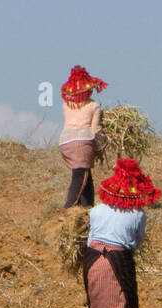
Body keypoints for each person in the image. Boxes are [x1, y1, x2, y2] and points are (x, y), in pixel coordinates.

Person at [80, 157, 160, 308]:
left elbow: (89, 238)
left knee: (97, 306)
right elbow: (137, 241)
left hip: (91, 260)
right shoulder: (137, 215)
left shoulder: (96, 210)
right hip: (117, 263)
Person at [59, 66, 107, 206]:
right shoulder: (94, 106)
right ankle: (69, 207)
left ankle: (87, 207)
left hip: (65, 143)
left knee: (87, 176)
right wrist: (102, 145)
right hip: (82, 143)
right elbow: (95, 129)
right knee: (80, 175)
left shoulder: (66, 105)